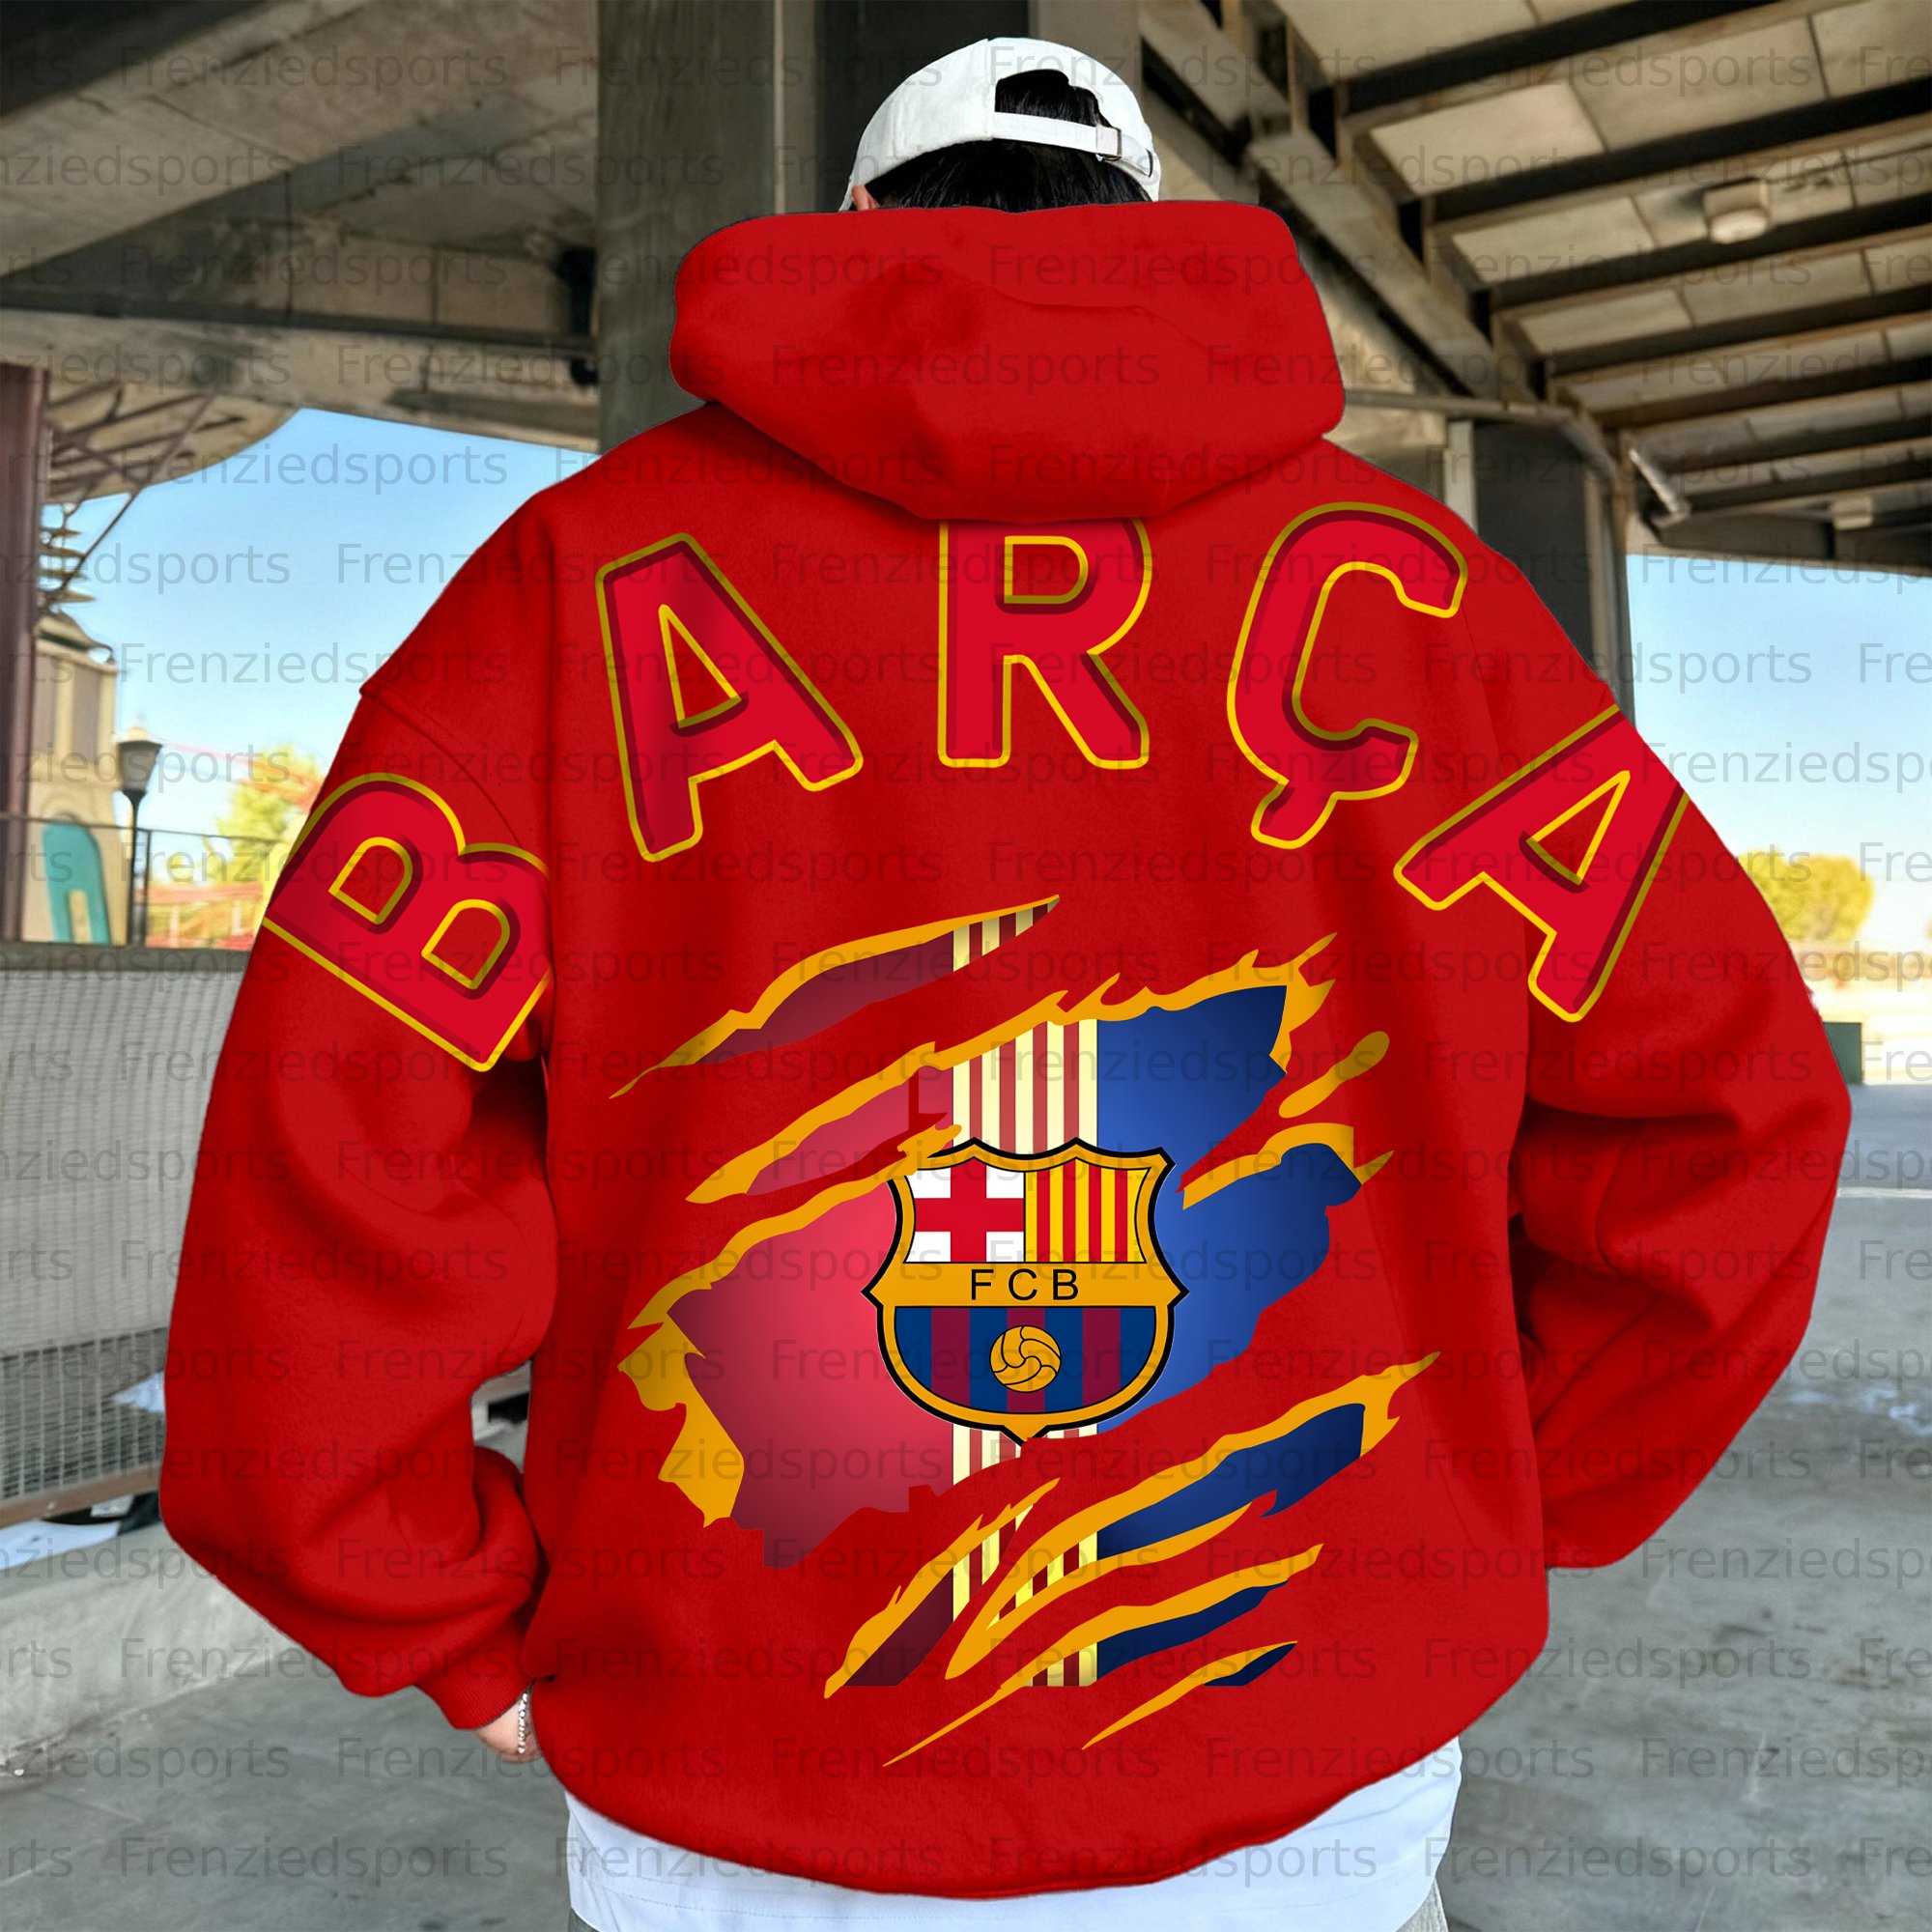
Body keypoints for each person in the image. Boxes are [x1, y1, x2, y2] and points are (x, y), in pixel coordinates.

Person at [161, 35, 1849, 1932]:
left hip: (743, 1775)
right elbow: (1733, 1111)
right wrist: (1498, 1503)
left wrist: (422, 1600)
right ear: (1148, 228)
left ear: (854, 223)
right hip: (1306, 1755)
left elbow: (335, 1128)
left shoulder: (575, 577)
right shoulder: (1426, 602)